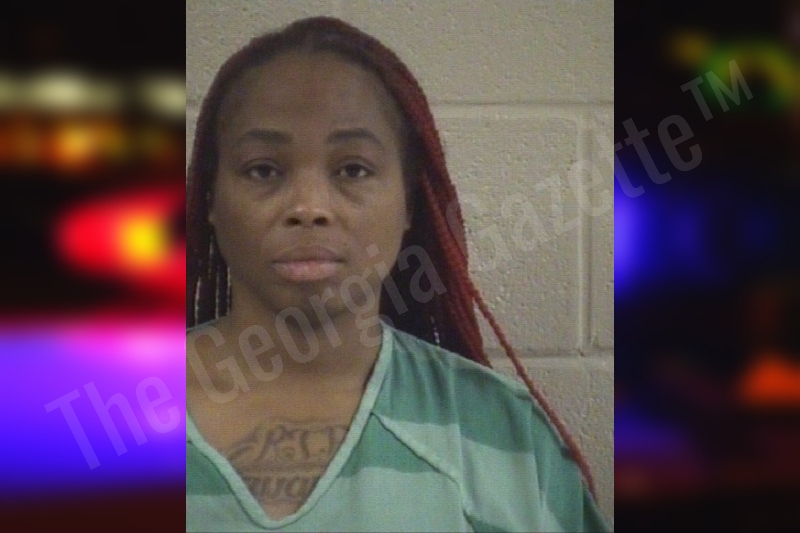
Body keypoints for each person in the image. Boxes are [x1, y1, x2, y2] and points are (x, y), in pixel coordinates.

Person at [186, 16, 609, 532]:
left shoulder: (504, 432)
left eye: (353, 169)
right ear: (211, 199)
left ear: (409, 202)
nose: (308, 207)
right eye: (263, 169)